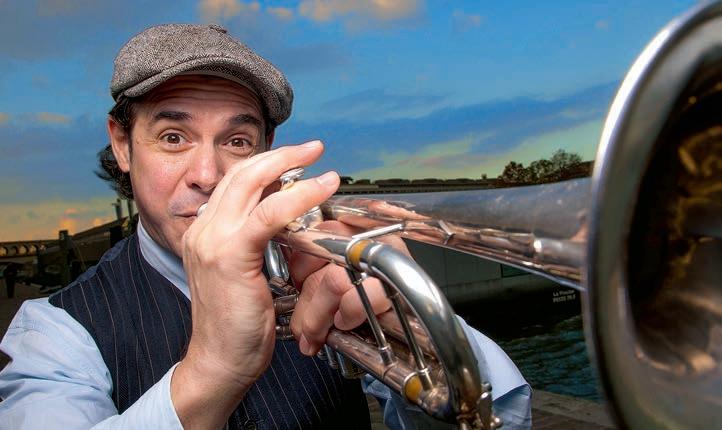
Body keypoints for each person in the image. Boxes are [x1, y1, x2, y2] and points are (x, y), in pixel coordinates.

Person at [0, 24, 531, 429]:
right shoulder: (53, 331)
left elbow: (506, 417)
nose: (208, 176)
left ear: (266, 155)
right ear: (122, 144)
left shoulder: (314, 271)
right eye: (173, 137)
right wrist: (211, 370)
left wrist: (416, 333)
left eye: (237, 142)